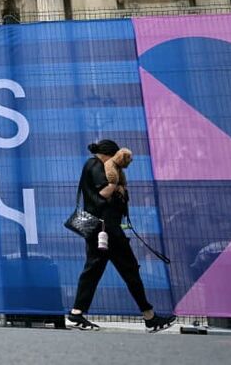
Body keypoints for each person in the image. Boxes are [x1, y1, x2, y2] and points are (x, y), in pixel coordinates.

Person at [67, 138, 176, 332]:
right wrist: (116, 185)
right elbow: (104, 193)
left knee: (94, 271)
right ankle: (149, 317)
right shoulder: (96, 165)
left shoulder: (92, 164)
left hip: (102, 229)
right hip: (106, 229)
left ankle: (76, 313)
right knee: (129, 270)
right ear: (109, 155)